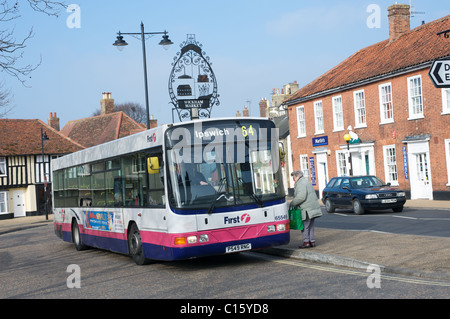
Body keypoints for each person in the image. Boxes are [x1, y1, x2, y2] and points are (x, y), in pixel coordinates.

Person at [290, 170, 322, 248]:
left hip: (306, 209)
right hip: (312, 208)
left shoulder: (301, 183)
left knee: (304, 226)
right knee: (310, 226)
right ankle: (312, 241)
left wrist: (292, 203)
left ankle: (306, 241)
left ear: (297, 176)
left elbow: (301, 197)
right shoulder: (305, 181)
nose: (293, 179)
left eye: (293, 177)